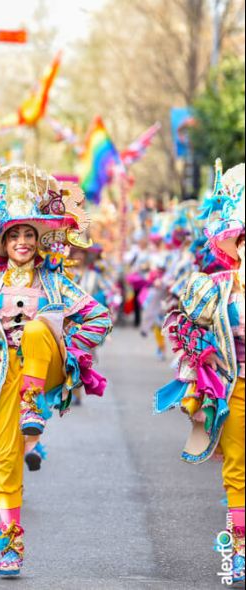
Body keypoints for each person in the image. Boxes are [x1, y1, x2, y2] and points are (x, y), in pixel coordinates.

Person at [0, 164, 112, 578]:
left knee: (34, 329)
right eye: (16, 235)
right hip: (2, 374)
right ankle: (11, 543)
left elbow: (99, 318)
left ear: (39, 239)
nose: (24, 242)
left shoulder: (56, 281)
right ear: (4, 241)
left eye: (30, 234)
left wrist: (68, 355)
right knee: (7, 459)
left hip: (41, 367)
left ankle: (34, 406)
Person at [154, 160, 244, 584]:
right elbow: (186, 327)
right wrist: (199, 380)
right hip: (236, 387)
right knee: (239, 469)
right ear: (235, 243)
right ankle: (239, 550)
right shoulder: (214, 288)